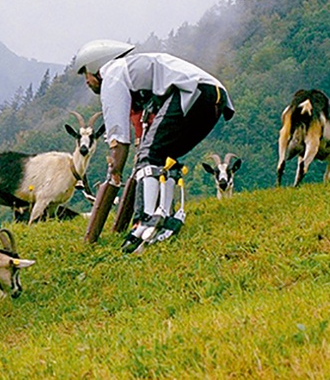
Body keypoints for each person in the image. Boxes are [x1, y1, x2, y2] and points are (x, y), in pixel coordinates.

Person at [75, 39, 234, 253]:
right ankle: (165, 218)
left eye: (86, 73)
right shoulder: (133, 75)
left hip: (192, 91)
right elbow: (144, 129)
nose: (86, 81)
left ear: (96, 66)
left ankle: (146, 221)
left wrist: (115, 169)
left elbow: (119, 138)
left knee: (150, 156)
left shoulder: (112, 74)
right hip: (214, 97)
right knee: (164, 157)